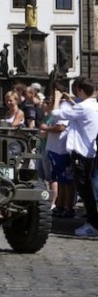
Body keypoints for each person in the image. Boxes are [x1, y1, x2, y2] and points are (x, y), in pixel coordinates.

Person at [51, 76, 98, 237]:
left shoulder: (83, 108)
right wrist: (72, 101)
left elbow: (56, 114)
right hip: (89, 154)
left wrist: (57, 99)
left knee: (85, 192)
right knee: (88, 190)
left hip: (81, 154)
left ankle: (92, 224)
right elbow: (79, 108)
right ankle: (92, 222)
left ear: (80, 90)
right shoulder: (92, 105)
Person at [38, 88, 75, 218]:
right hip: (53, 149)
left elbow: (61, 127)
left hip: (61, 150)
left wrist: (46, 128)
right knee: (58, 180)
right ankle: (60, 205)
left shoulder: (64, 106)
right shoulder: (57, 106)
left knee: (66, 181)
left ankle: (68, 207)